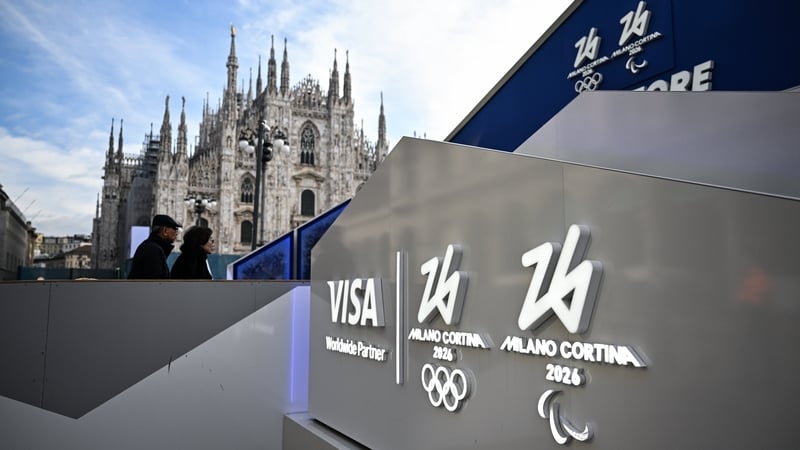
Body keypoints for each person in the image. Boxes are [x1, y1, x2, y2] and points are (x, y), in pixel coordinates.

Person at [128, 214, 181, 279]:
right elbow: (155, 282)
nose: (176, 233)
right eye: (174, 229)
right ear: (165, 231)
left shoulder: (151, 247)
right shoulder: (153, 250)